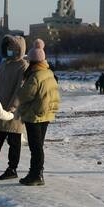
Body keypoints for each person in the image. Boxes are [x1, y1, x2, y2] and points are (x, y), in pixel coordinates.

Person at [16, 39, 60, 186]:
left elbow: (24, 95)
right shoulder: (49, 73)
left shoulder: (35, 76)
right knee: (38, 145)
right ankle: (36, 172)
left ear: (33, 61)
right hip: (46, 113)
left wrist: (20, 89)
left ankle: (36, 174)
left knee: (36, 147)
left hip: (34, 115)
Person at [0, 35, 29, 180]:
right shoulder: (4, 63)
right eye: (7, 48)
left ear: (19, 49)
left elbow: (20, 88)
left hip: (14, 112)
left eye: (12, 48)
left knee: (14, 141)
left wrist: (12, 107)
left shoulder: (23, 66)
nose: (9, 50)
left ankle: (12, 169)